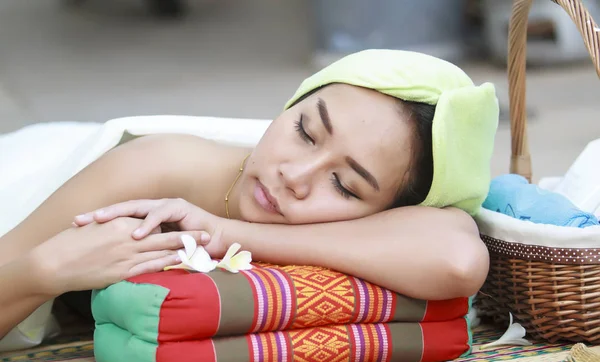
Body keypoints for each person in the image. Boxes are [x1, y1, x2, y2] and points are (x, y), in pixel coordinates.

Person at [0, 49, 499, 341]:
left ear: (393, 212)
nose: (294, 175)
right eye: (305, 129)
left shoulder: (387, 230)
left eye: (344, 185)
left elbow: (457, 259)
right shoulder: (159, 168)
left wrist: (227, 233)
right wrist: (46, 271)